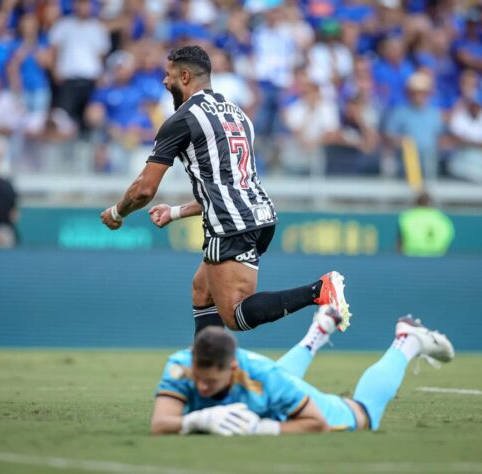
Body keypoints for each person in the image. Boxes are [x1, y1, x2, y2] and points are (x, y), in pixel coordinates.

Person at [100, 45, 350, 335]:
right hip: (258, 214)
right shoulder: (238, 115)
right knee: (202, 291)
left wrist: (118, 213)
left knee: (234, 315)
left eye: (167, 75)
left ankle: (319, 290)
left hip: (231, 225)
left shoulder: (183, 119)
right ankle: (209, 371)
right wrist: (176, 212)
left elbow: (144, 189)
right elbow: (225, 185)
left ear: (184, 76)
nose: (163, 82)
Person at [150, 305, 454, 435]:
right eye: (198, 381)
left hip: (286, 397)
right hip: (268, 390)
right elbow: (160, 423)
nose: (201, 388)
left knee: (362, 415)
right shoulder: (180, 366)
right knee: (271, 390)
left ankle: (407, 341)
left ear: (231, 368)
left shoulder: (265, 378)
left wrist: (263, 430)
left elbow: (317, 423)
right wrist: (196, 420)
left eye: (210, 383)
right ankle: (318, 333)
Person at [397, 191, 455, 257]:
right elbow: (447, 237)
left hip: (411, 257)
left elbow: (400, 243)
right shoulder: (442, 219)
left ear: (416, 203)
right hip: (437, 257)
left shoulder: (406, 218)